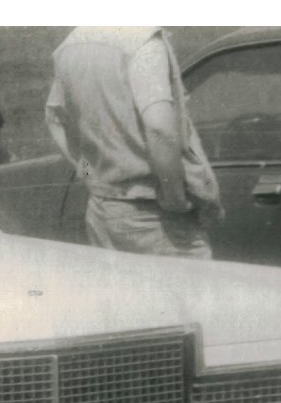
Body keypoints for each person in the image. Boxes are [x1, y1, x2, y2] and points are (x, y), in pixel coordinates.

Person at [45, 26, 224, 258]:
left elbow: (55, 122)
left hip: (102, 209)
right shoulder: (142, 42)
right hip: (154, 216)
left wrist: (90, 176)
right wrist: (174, 197)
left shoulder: (70, 46)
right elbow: (158, 128)